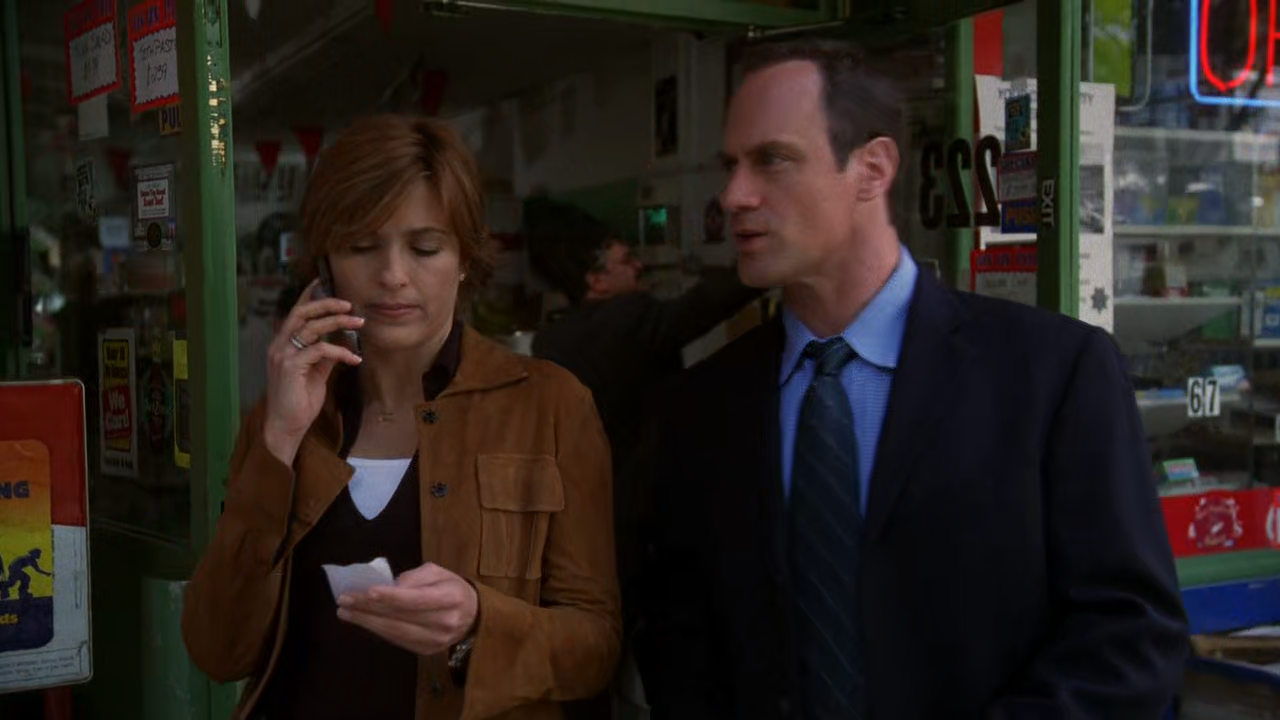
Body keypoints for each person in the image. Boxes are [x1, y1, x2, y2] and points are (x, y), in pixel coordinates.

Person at [635, 39, 1188, 719]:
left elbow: (1131, 636)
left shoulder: (1052, 374)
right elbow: (680, 643)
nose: (734, 196)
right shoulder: (703, 407)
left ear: (872, 168)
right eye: (731, 166)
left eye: (772, 159)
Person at [182, 114, 621, 720]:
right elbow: (216, 648)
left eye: (425, 247)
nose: (392, 275)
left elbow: (596, 647)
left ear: (465, 258)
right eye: (362, 246)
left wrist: (479, 623)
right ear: (325, 265)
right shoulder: (285, 418)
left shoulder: (550, 405)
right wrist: (279, 439)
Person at [527, 200, 760, 719]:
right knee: (668, 669)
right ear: (596, 281)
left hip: (575, 532)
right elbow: (699, 309)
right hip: (637, 529)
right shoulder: (628, 322)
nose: (638, 266)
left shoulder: (551, 339)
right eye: (624, 260)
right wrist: (765, 262)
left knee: (586, 677)